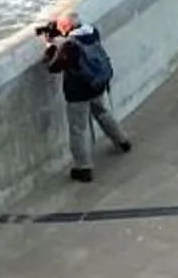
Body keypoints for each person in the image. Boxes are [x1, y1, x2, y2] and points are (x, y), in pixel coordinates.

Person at [37, 12, 131, 184]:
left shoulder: (70, 46)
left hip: (78, 92)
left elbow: (54, 67)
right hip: (96, 84)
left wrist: (51, 45)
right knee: (102, 113)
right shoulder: (92, 32)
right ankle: (122, 141)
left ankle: (83, 168)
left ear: (66, 27)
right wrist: (59, 41)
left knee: (78, 129)